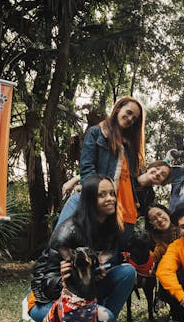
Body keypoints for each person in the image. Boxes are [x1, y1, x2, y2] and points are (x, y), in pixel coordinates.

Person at [27, 175, 136, 322]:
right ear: (90, 199)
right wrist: (63, 280)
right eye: (102, 195)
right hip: (47, 301)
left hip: (82, 295)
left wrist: (96, 273)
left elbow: (95, 270)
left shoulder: (110, 228)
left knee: (127, 272)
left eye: (112, 193)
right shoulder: (67, 231)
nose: (110, 199)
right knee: (104, 317)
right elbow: (43, 281)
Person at [57, 97, 146, 241]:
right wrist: (95, 197)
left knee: (107, 260)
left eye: (134, 118)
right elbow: (87, 168)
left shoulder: (129, 146)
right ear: (118, 109)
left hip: (126, 213)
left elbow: (134, 180)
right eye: (128, 113)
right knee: (62, 241)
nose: (130, 119)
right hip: (106, 207)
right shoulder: (97, 133)